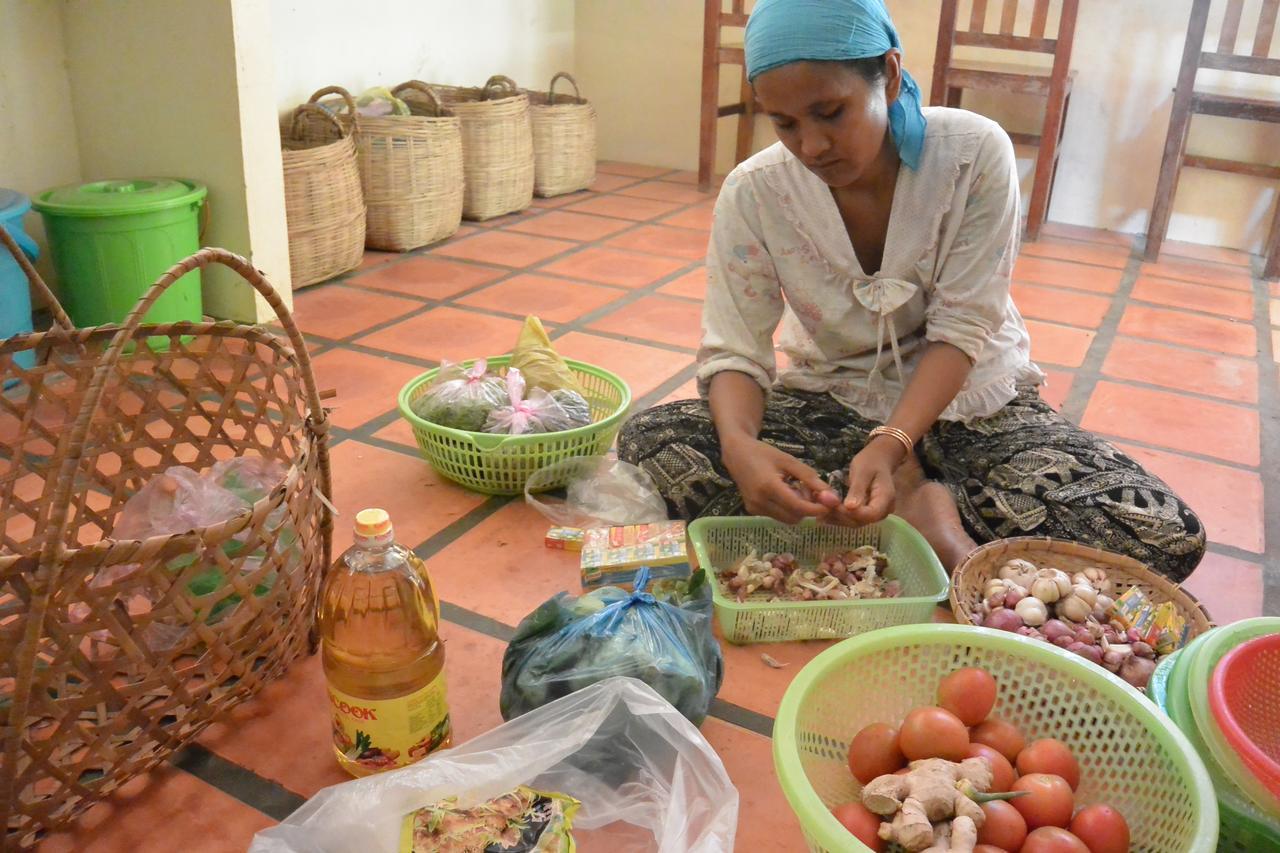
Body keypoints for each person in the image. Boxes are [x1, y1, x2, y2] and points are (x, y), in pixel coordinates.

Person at [618, 0, 1205, 580]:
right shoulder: (755, 191)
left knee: (1160, 530)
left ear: (891, 74)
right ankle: (914, 520)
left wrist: (893, 444)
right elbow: (734, 349)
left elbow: (961, 329)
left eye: (831, 112)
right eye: (786, 123)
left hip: (973, 404)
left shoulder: (972, 155)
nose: (812, 145)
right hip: (835, 404)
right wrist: (739, 447)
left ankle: (904, 512)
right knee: (651, 441)